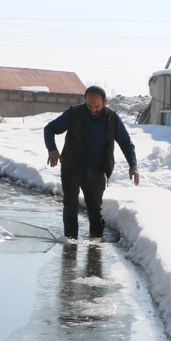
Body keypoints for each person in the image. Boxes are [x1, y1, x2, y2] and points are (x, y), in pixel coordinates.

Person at [44, 86, 140, 239]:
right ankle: (70, 242)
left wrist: (133, 166)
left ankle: (95, 245)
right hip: (72, 167)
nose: (93, 110)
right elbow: (49, 128)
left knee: (95, 211)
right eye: (89, 106)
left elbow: (126, 144)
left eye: (97, 106)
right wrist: (52, 149)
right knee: (70, 206)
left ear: (105, 102)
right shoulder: (74, 113)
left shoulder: (112, 119)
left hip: (97, 170)